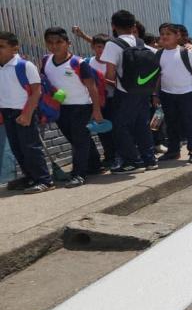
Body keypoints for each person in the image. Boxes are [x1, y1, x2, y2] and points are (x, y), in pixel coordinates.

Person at [41, 27, 105, 188]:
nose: (54, 46)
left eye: (59, 42)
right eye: (50, 42)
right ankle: (95, 165)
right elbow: (44, 83)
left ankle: (79, 174)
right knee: (76, 138)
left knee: (79, 141)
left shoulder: (78, 63)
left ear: (68, 43)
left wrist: (96, 110)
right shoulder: (46, 61)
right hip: (59, 108)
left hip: (81, 107)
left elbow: (92, 88)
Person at [100, 9, 158, 174]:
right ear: (133, 26)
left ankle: (132, 162)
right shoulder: (140, 43)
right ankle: (150, 159)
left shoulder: (113, 44)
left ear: (113, 26)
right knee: (142, 125)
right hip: (143, 91)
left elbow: (110, 74)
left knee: (119, 126)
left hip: (124, 92)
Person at [0, 31, 55, 193]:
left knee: (31, 147)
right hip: (7, 113)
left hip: (25, 111)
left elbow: (36, 92)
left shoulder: (24, 66)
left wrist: (27, 114)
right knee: (17, 148)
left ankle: (44, 180)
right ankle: (30, 177)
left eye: (1, 46)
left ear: (14, 48)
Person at [155, 23, 192, 164]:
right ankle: (173, 151)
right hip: (167, 94)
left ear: (177, 36)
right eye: (162, 34)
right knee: (171, 125)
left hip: (188, 94)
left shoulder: (187, 52)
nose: (164, 36)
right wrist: (156, 95)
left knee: (190, 124)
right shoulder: (159, 54)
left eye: (168, 34)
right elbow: (158, 76)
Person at [87, 33, 118, 167]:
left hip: (112, 100)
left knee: (116, 130)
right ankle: (109, 156)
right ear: (93, 47)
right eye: (99, 46)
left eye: (105, 47)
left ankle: (118, 156)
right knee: (102, 130)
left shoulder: (113, 63)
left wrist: (103, 80)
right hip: (96, 102)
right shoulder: (88, 63)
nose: (102, 50)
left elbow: (120, 84)